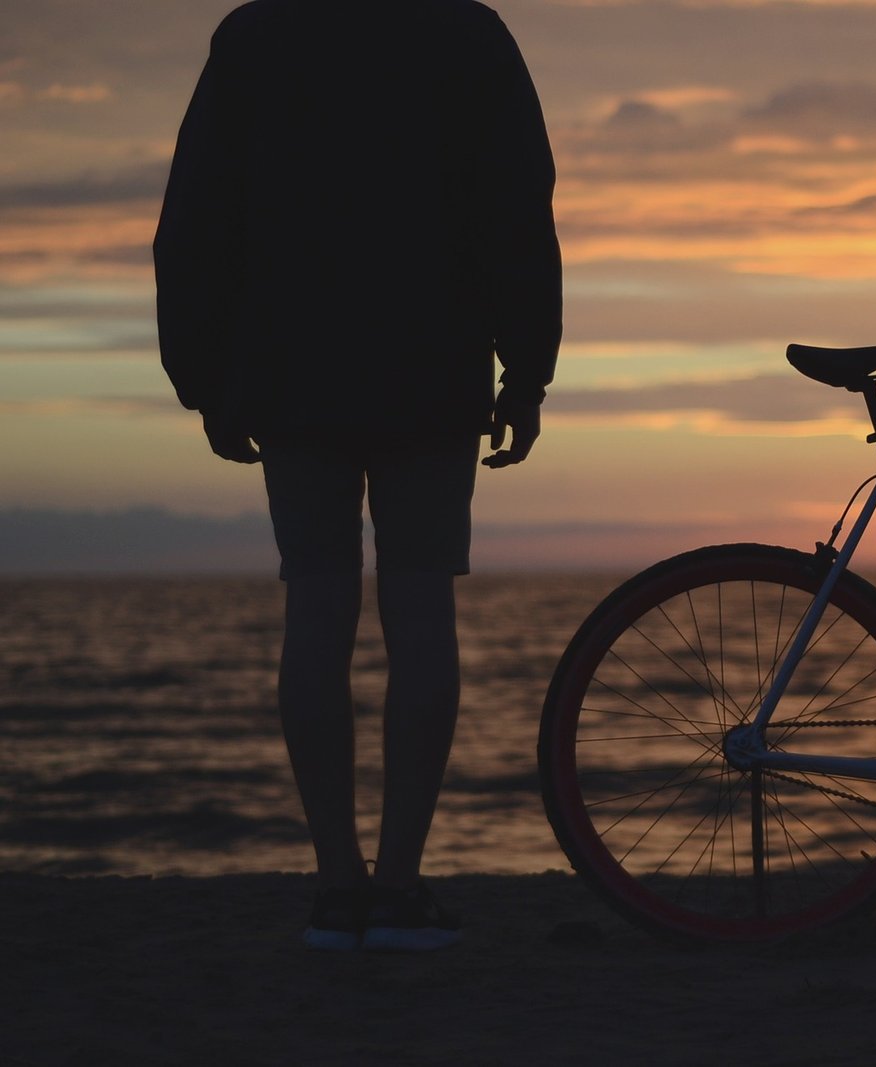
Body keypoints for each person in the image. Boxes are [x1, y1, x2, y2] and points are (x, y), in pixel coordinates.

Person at [154, 0, 561, 951]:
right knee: (420, 619)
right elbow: (517, 207)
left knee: (318, 612)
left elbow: (195, 217)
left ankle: (339, 887)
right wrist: (528, 368)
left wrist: (203, 378)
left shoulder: (257, 36)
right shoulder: (466, 34)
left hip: (293, 375)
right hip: (430, 368)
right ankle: (400, 884)